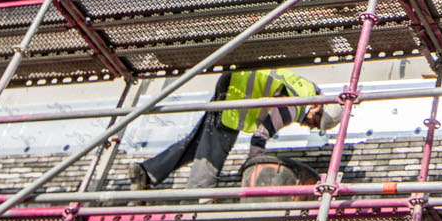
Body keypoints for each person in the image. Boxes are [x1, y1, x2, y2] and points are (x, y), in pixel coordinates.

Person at [129, 68, 336, 191]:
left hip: (233, 85)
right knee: (215, 149)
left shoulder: (303, 89)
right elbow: (259, 137)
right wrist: (254, 168)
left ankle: (147, 172)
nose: (310, 126)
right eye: (315, 123)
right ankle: (196, 201)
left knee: (197, 144)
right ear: (317, 107)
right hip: (236, 94)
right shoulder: (295, 107)